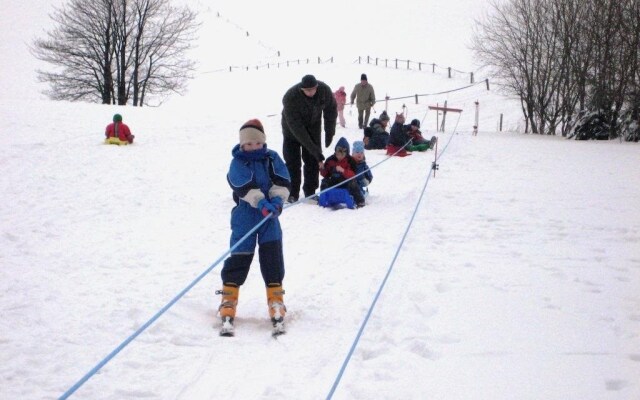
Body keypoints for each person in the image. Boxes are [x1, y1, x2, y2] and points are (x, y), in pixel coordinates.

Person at [217, 119, 292, 336]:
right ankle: (228, 298)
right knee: (240, 255)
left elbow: (283, 179)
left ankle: (276, 299)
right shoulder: (238, 161)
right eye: (247, 144)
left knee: (272, 256)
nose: (252, 147)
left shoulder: (272, 158)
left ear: (263, 142)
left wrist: (277, 201)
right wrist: (260, 202)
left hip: (270, 216)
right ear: (242, 145)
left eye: (256, 143)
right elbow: (240, 184)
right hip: (246, 215)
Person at [281, 74, 337, 203]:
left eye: (313, 89)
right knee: (293, 162)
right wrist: (315, 150)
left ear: (317, 86)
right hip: (291, 130)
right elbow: (298, 129)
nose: (311, 92)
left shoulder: (324, 91)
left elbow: (331, 110)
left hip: (313, 126)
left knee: (312, 161)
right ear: (302, 89)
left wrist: (330, 131)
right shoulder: (290, 97)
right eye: (307, 90)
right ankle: (292, 192)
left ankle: (310, 192)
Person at [319, 137, 366, 208]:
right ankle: (323, 198)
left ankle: (360, 201)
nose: (340, 156)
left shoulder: (351, 161)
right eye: (338, 154)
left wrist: (343, 170)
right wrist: (322, 168)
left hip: (345, 183)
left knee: (352, 183)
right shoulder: (330, 160)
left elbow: (353, 175)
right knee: (324, 181)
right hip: (334, 182)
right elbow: (326, 174)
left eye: (342, 154)